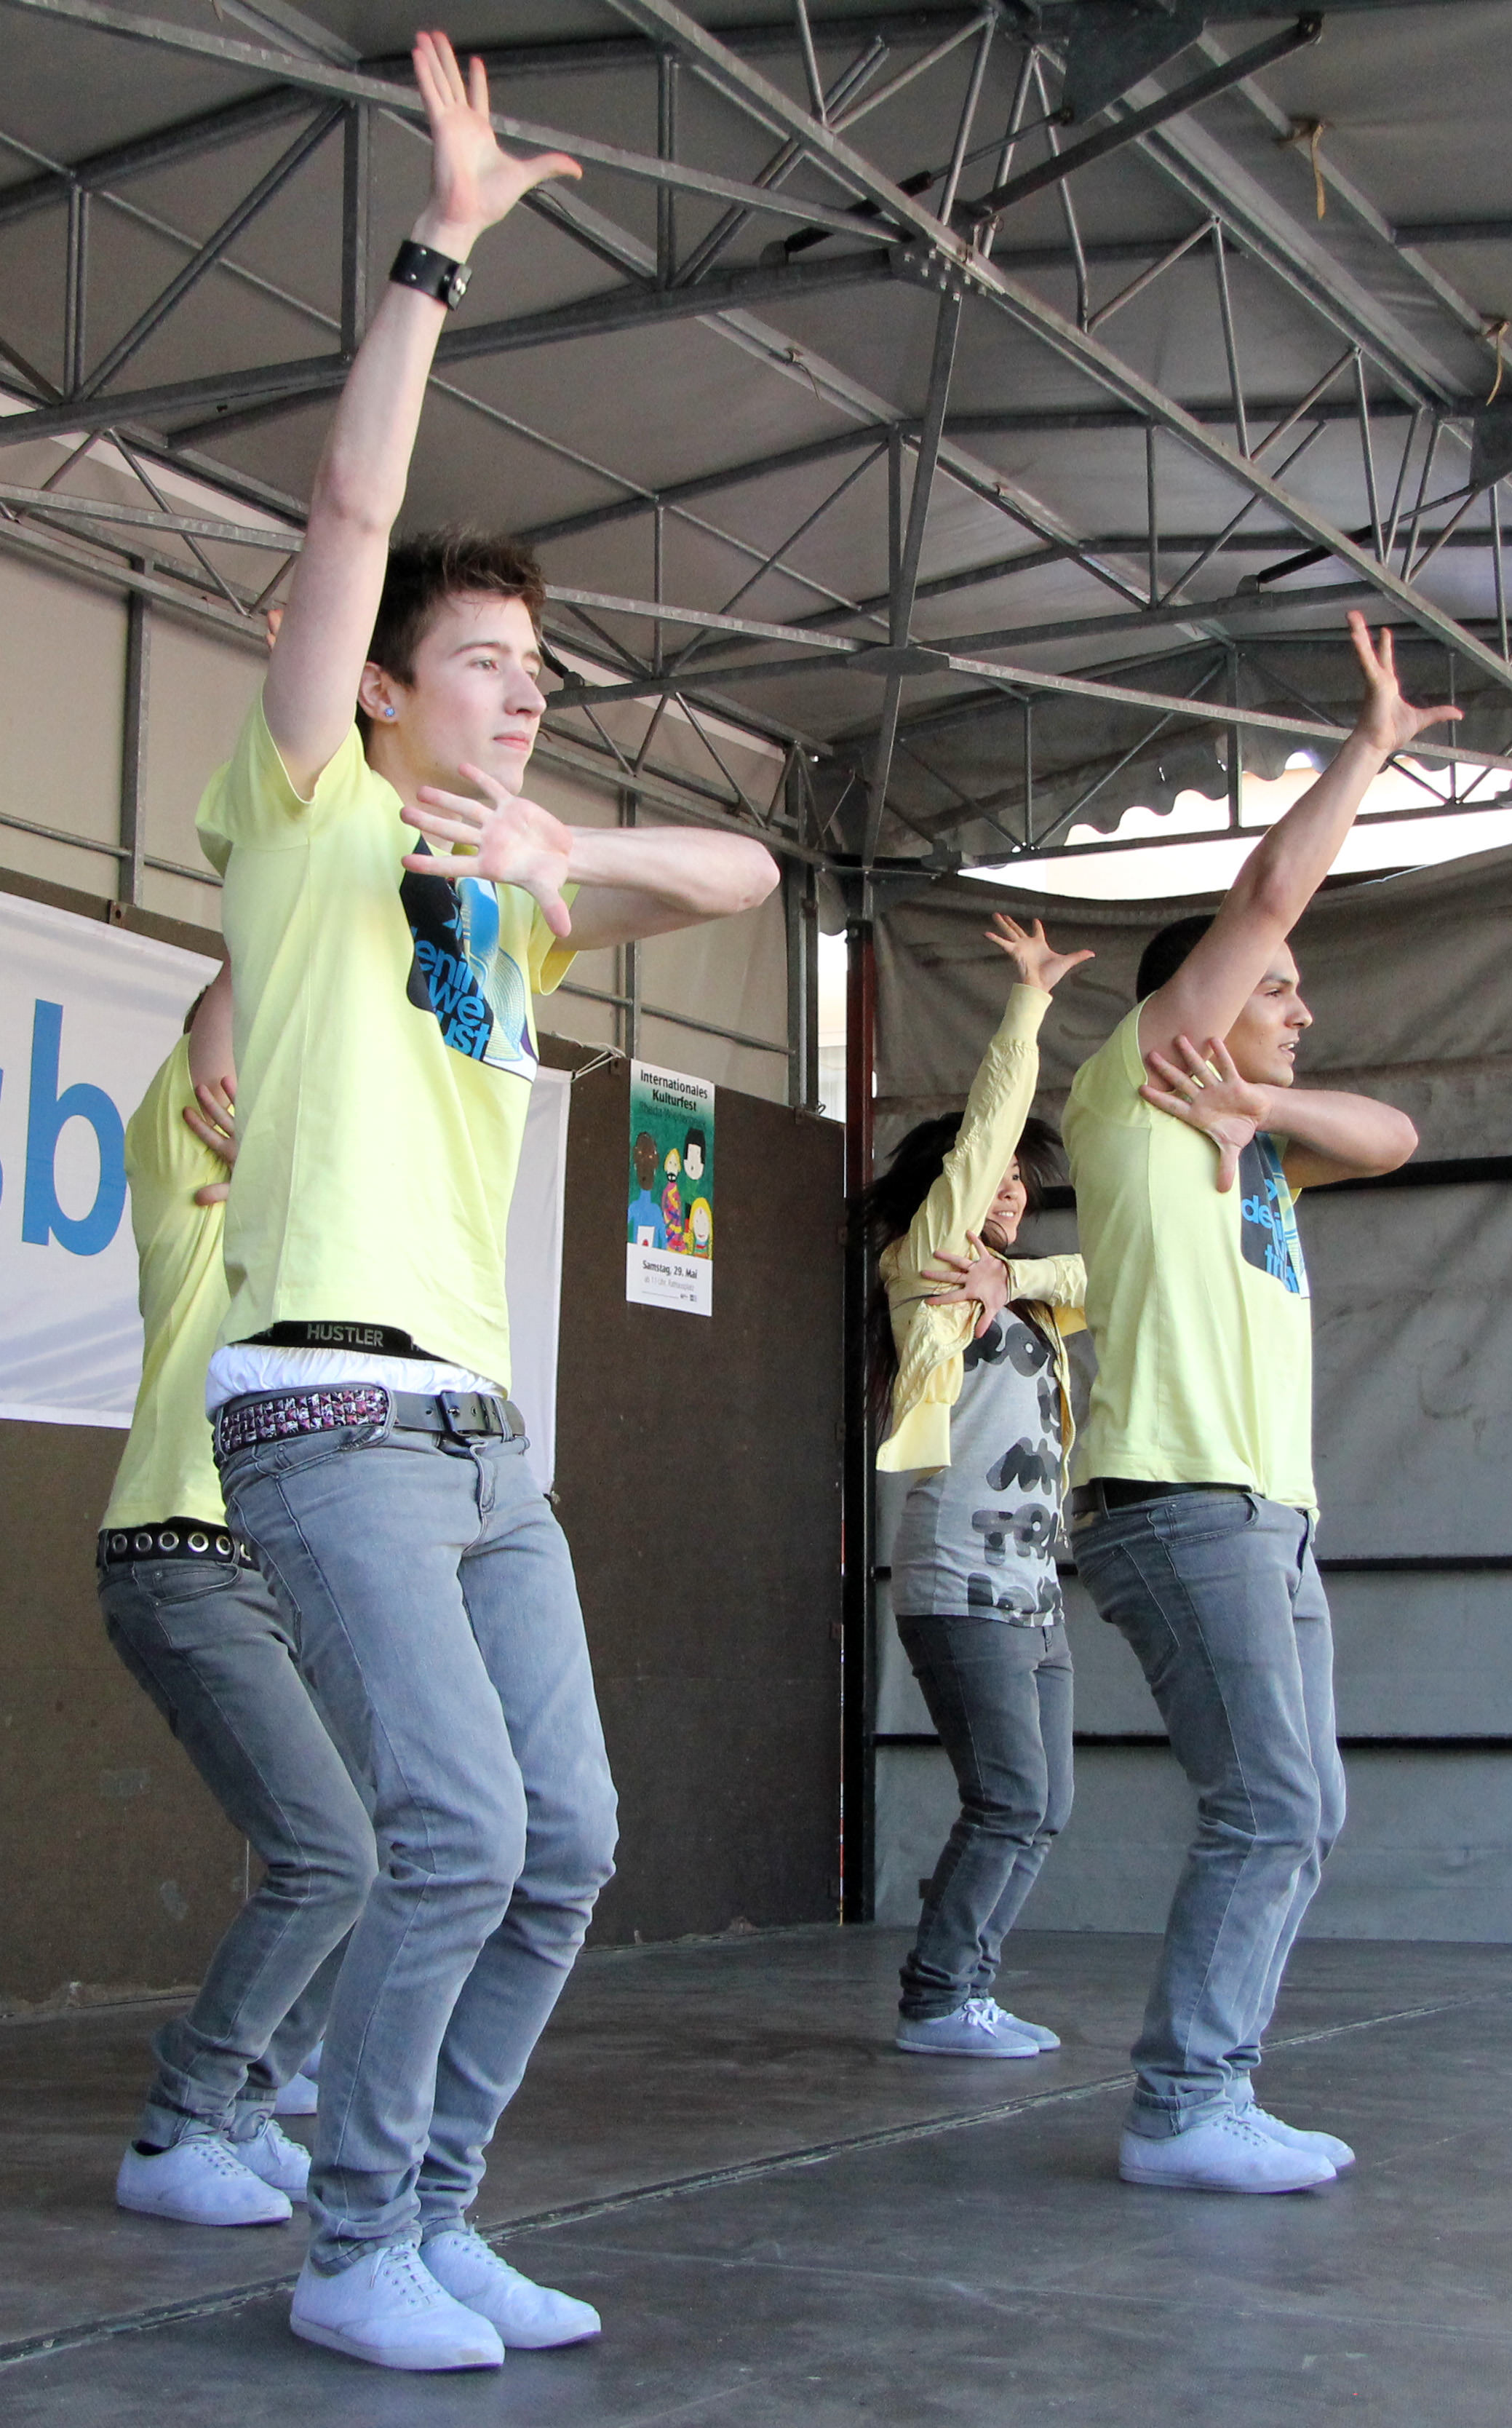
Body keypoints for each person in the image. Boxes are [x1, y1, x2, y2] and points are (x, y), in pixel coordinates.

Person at [197, 31, 778, 2373]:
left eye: (542, 676)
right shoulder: (310, 807)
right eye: (486, 669)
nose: (524, 698)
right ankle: (348, 2247)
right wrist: (437, 251)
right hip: (324, 1411)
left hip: (478, 1436)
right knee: (448, 1827)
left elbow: (742, 876)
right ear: (382, 692)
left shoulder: (525, 892)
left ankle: (430, 2219)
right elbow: (350, 515)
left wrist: (562, 846)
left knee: (566, 1841)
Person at [1064, 612, 1447, 2196]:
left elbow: (1399, 1136)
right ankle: (1182, 2105)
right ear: (1193, 1004)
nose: (1298, 1006)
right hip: (1177, 1500)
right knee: (1272, 1800)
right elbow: (1268, 893)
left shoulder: (1258, 1144)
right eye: (1273, 993)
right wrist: (1366, 748)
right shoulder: (1135, 1089)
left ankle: (1213, 2088)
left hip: (1269, 1516)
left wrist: (1265, 1108)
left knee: (1308, 1803)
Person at [102, 970, 373, 2228]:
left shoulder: (299, 1240)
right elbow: (240, 990)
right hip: (179, 1556)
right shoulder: (189, 1170)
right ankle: (180, 2127)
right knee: (331, 1853)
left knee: (372, 1849)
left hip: (268, 1572)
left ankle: (246, 2103)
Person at [867, 915, 1094, 2060]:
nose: (1006, 1187)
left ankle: (968, 1987)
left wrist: (1026, 1276)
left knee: (1043, 1806)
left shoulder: (1022, 1291)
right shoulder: (928, 1271)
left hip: (1034, 1591)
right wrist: (1028, 1004)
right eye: (991, 1175)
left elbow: (1122, 1276)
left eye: (1018, 1181)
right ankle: (938, 1997)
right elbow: (991, 1122)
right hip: (961, 1579)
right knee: (1008, 1797)